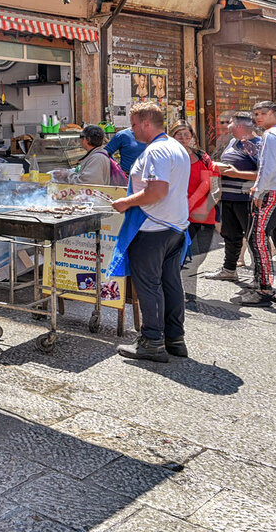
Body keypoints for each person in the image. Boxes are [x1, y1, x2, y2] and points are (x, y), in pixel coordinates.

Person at [111, 102, 192, 362]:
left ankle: (152, 341)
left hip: (153, 226)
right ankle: (175, 339)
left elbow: (157, 191)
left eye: (134, 124)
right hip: (175, 226)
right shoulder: (175, 147)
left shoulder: (156, 151)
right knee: (171, 283)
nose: (131, 129)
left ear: (146, 123)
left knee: (148, 285)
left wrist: (126, 202)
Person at [236, 101, 276, 307]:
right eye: (255, 114)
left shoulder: (272, 135)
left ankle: (264, 288)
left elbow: (267, 166)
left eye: (263, 113)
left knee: (257, 236)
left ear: (275, 113)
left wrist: (259, 190)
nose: (258, 117)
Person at [210, 112, 262, 282]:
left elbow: (263, 174)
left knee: (253, 238)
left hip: (246, 199)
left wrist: (237, 173)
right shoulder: (233, 142)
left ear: (240, 125)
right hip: (228, 197)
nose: (227, 125)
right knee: (230, 234)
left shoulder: (258, 145)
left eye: (230, 122)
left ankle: (260, 277)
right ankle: (229, 269)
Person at [170, 122, 217, 262]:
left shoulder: (201, 156)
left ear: (192, 137)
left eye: (187, 134)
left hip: (197, 212)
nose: (183, 138)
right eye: (179, 134)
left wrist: (191, 204)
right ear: (172, 136)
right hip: (173, 210)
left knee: (191, 255)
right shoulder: (166, 155)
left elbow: (207, 183)